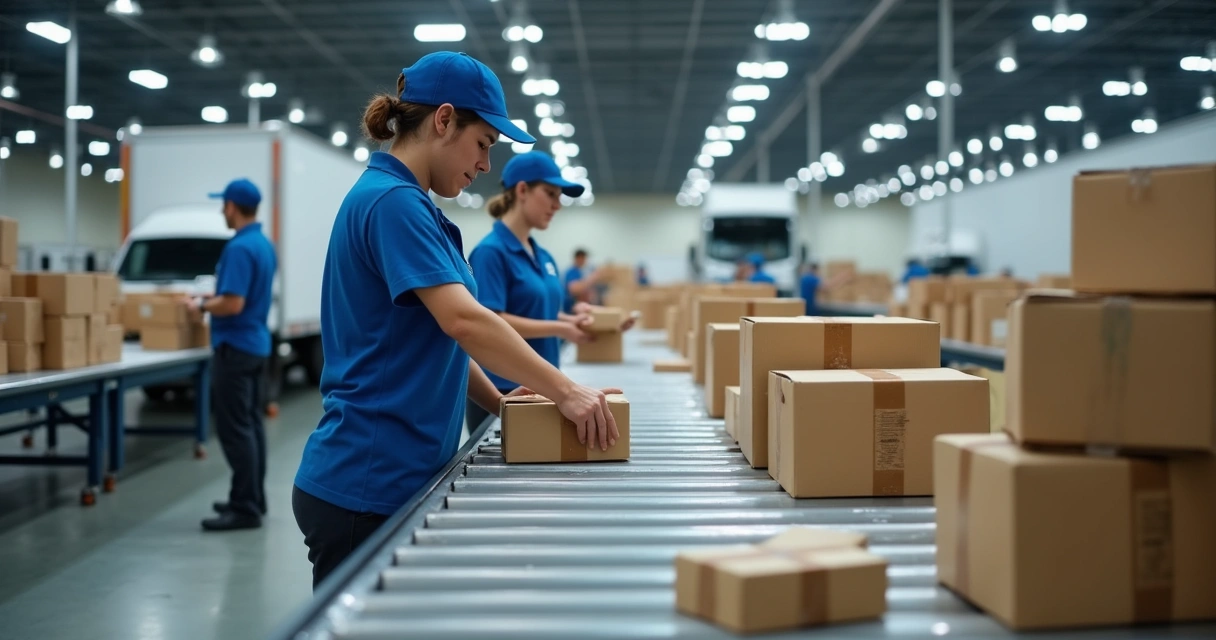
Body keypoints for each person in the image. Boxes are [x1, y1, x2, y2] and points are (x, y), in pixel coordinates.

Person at [291, 52, 619, 589]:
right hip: (368, 483)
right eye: (484, 144)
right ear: (444, 120)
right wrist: (565, 391)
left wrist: (501, 402)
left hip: (394, 475)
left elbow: (437, 337)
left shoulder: (412, 206)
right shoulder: (393, 202)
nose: (487, 165)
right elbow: (465, 321)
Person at [464, 151, 597, 431]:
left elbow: (541, 311)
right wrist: (560, 330)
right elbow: (492, 322)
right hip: (504, 391)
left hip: (543, 389)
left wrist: (572, 322)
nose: (557, 205)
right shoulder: (491, 252)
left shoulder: (543, 256)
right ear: (522, 190)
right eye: (550, 193)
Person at [187, 178, 278, 531]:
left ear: (232, 206)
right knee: (251, 426)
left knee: (236, 430)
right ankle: (252, 497)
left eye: (223, 204)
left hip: (235, 348)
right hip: (255, 345)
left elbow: (233, 302)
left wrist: (201, 305)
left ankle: (244, 508)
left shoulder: (240, 248)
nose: (221, 210)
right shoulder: (263, 244)